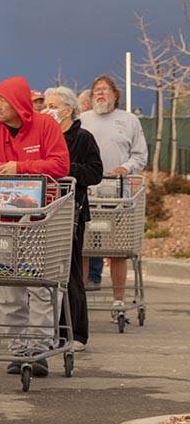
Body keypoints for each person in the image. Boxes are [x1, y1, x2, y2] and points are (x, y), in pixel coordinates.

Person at [0, 77, 70, 375]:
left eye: (2, 100)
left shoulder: (46, 127)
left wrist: (21, 168)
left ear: (17, 103)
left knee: (41, 284)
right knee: (5, 286)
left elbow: (60, 165)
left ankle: (38, 347)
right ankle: (18, 347)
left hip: (40, 220)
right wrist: (7, 170)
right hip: (1, 220)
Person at [79, 75, 148, 307]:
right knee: (84, 248)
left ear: (115, 95)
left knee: (117, 249)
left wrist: (124, 168)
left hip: (118, 195)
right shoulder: (83, 120)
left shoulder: (129, 121)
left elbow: (140, 155)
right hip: (88, 193)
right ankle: (81, 301)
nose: (100, 93)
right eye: (96, 90)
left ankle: (118, 300)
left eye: (105, 89)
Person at [43, 87, 102, 351]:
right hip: (45, 212)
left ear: (67, 109)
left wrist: (64, 169)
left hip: (73, 212)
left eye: (53, 105)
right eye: (45, 104)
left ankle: (77, 333)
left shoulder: (83, 138)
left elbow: (95, 172)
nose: (48, 109)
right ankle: (49, 330)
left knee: (71, 272)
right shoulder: (44, 135)